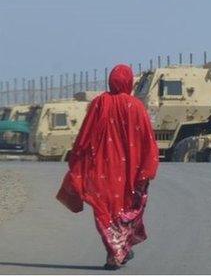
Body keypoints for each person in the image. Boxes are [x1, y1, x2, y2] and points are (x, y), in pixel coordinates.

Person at [56, 64, 159, 270]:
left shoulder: (99, 103)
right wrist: (147, 168)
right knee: (124, 211)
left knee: (104, 211)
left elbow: (84, 136)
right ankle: (119, 252)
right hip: (130, 172)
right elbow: (148, 141)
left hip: (101, 171)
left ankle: (116, 253)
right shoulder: (136, 106)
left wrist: (77, 158)